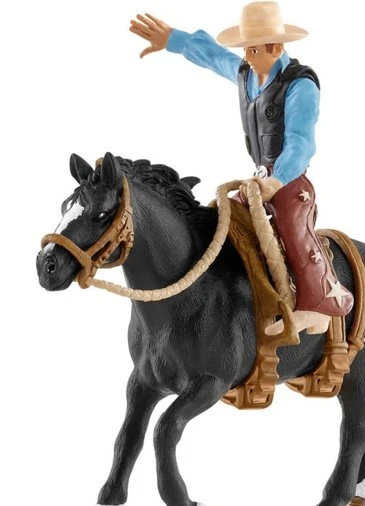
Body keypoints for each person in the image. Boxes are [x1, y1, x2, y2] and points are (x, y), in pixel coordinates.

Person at [129, 1, 353, 335]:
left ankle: (318, 305)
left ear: (275, 48)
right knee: (225, 223)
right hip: (260, 178)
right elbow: (213, 55)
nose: (246, 55)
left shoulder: (300, 86)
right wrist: (172, 38)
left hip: (289, 180)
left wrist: (277, 180)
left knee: (293, 228)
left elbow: (300, 141)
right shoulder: (246, 74)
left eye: (254, 49)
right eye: (245, 48)